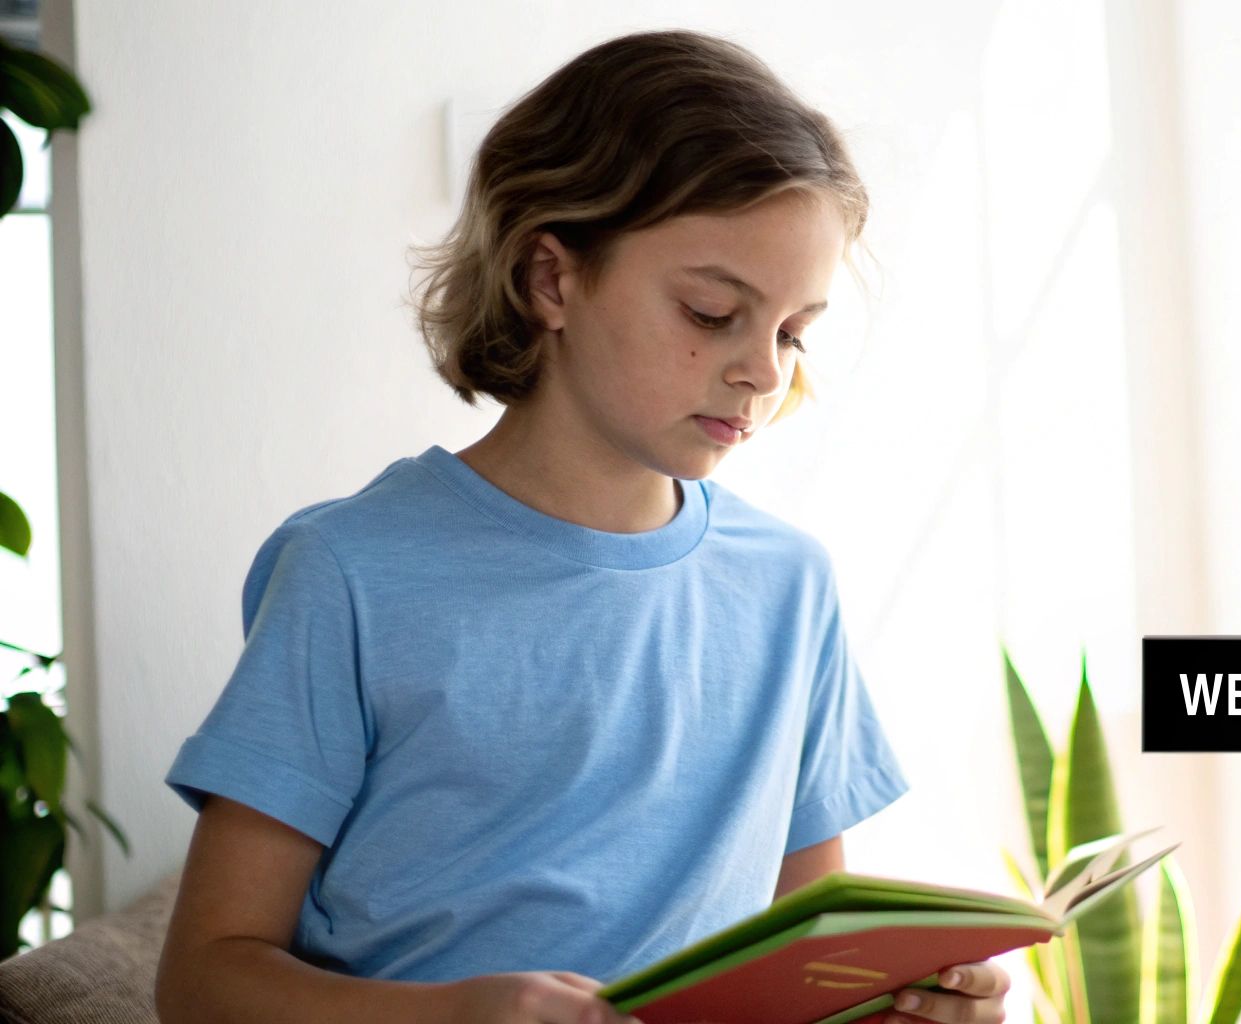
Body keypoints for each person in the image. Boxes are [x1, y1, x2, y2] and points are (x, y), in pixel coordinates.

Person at [154, 28, 1011, 1024]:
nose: (763, 372)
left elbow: (803, 970)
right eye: (709, 310)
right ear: (551, 279)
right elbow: (204, 978)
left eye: (792, 331)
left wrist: (897, 1004)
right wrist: (449, 1017)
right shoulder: (349, 571)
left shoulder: (788, 586)